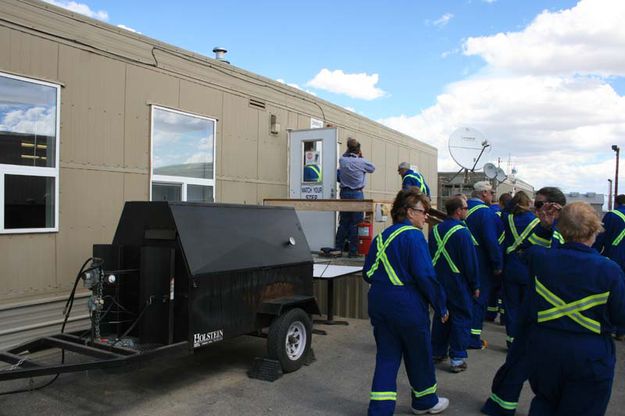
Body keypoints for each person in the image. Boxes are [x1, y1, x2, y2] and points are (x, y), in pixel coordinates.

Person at [524, 202, 625, 415]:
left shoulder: (541, 259)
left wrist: (544, 226)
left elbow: (526, 249)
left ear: (561, 229)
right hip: (590, 354)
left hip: (545, 348)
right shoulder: (609, 270)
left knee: (544, 403)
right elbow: (620, 316)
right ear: (595, 229)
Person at [481, 186, 567, 416]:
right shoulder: (540, 226)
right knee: (518, 359)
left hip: (543, 305)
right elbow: (532, 250)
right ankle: (501, 405)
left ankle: (502, 405)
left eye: (539, 204)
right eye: (534, 204)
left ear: (554, 207)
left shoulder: (562, 231)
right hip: (531, 290)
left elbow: (554, 257)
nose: (536, 209)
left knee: (528, 361)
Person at [363, 189, 449, 415]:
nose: (426, 217)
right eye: (424, 212)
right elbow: (426, 276)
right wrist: (440, 305)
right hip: (407, 306)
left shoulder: (382, 237)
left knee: (387, 356)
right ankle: (425, 401)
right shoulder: (413, 236)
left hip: (379, 303)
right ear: (410, 212)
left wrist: (388, 281)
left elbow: (368, 273)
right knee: (419, 354)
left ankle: (380, 410)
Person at [429, 197, 479, 373]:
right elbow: (470, 263)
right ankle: (457, 358)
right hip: (458, 282)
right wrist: (475, 285)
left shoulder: (434, 230)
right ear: (458, 210)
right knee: (461, 318)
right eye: (465, 208)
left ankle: (436, 352)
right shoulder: (463, 232)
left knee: (441, 316)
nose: (467, 211)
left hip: (438, 279)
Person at [464, 181, 503, 349]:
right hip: (481, 263)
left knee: (463, 299)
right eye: (491, 193)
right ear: (484, 193)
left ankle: (460, 333)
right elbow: (491, 241)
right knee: (478, 300)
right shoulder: (485, 214)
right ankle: (473, 338)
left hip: (460, 263)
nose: (493, 196)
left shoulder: (463, 208)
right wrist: (497, 264)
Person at [335, 138, 375, 257]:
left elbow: (344, 157)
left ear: (347, 148)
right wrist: (360, 157)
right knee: (356, 223)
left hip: (344, 193)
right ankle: (353, 251)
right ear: (359, 150)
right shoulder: (362, 162)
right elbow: (372, 168)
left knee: (343, 223)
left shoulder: (342, 160)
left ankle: (338, 249)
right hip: (357, 194)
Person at [593, 193, 625, 341]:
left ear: (617, 203)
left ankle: (614, 327)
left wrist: (593, 253)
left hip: (616, 259)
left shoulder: (612, 216)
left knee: (613, 293)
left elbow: (601, 238)